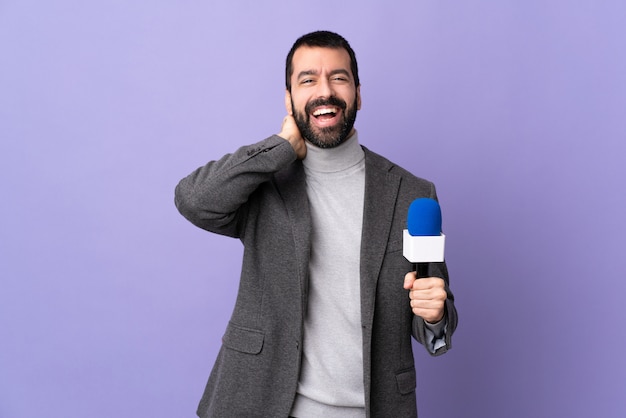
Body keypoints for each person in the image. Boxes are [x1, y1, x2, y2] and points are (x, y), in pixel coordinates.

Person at [175, 30, 458, 418]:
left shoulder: (411, 192)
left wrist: (435, 315)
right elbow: (194, 200)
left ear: (358, 93)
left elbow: (436, 307)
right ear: (289, 99)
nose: (324, 91)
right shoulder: (265, 182)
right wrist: (280, 147)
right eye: (307, 80)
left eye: (338, 78)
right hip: (260, 404)